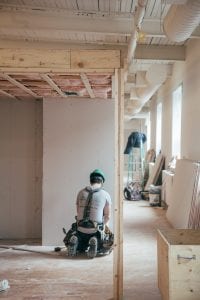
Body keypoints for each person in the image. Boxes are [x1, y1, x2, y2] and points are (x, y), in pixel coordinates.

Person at [67, 169, 112, 258]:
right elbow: (107, 216)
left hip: (80, 228)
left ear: (91, 181)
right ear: (102, 181)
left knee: (80, 238)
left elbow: (78, 211)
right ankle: (96, 240)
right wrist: (105, 228)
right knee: (109, 240)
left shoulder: (80, 192)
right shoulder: (105, 194)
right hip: (95, 229)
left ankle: (77, 241)